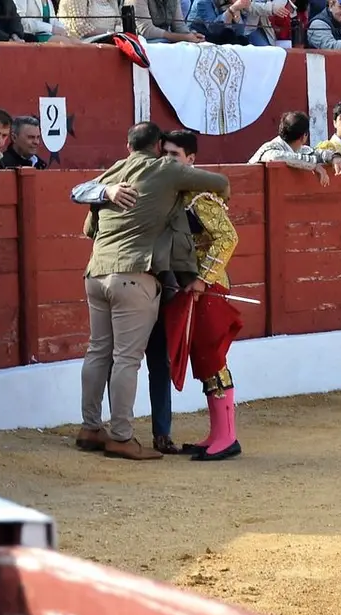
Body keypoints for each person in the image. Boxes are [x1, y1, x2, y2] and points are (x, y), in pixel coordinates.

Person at [71, 122, 231, 461]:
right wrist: (177, 191)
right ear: (158, 146)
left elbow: (88, 226)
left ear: (127, 145)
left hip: (95, 273)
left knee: (98, 351)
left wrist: (107, 194)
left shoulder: (113, 173)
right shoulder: (166, 170)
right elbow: (221, 184)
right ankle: (122, 436)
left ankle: (89, 428)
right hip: (134, 277)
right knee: (127, 359)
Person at [160, 130, 242, 461]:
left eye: (174, 155)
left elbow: (229, 238)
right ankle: (218, 433)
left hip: (208, 288)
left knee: (213, 359)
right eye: (164, 153)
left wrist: (203, 279)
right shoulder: (178, 195)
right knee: (205, 361)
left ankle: (228, 437)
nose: (167, 160)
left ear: (191, 160)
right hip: (194, 287)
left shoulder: (199, 198)